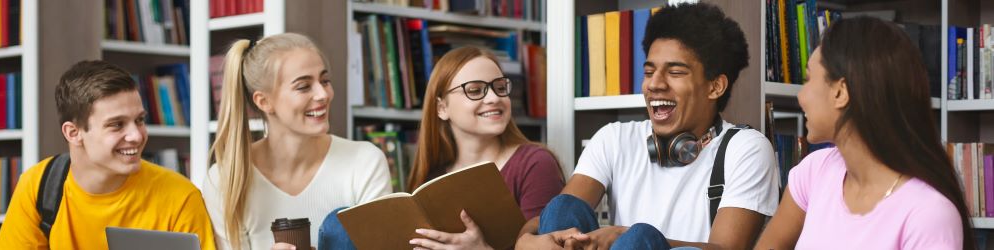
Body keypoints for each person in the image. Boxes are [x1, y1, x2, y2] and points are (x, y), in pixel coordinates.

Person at [516, 3, 779, 249]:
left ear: (715, 86)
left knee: (640, 238)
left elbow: (727, 249)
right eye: (649, 72)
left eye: (675, 73)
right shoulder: (614, 138)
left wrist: (626, 235)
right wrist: (526, 242)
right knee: (563, 206)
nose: (654, 84)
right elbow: (550, 219)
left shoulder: (746, 148)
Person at [754, 16, 973, 249]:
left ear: (841, 92)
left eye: (809, 79)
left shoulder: (928, 214)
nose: (801, 96)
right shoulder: (814, 172)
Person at [0, 60, 216, 249]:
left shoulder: (181, 199)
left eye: (139, 120)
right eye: (117, 125)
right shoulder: (38, 186)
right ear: (73, 133)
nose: (137, 136)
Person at [204, 33, 392, 250]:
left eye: (325, 81)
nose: (323, 94)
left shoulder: (364, 162)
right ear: (264, 101)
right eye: (303, 86)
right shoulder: (225, 179)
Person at [403, 47, 565, 249]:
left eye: (499, 87)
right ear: (442, 108)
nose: (494, 98)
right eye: (475, 90)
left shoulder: (535, 164)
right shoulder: (431, 180)